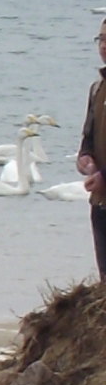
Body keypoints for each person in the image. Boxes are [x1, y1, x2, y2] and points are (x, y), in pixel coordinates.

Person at [82, 17, 106, 278]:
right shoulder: (97, 89)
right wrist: (85, 159)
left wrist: (103, 177)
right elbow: (87, 138)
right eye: (101, 39)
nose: (104, 45)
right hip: (101, 202)